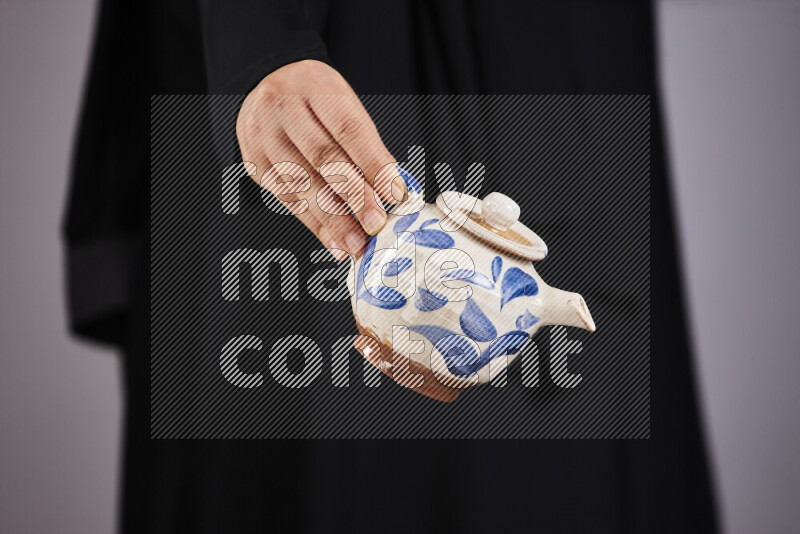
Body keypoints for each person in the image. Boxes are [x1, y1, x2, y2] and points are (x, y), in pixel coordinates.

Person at [65, 0, 718, 532]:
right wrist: (260, 37)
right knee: (281, 465)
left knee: (548, 479)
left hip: (548, 63)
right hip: (317, 39)